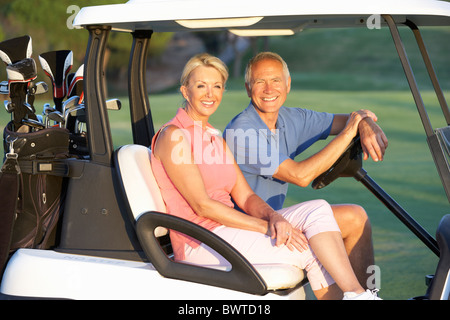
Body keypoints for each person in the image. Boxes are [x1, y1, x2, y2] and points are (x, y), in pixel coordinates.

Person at [150, 53, 381, 300]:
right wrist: (266, 226)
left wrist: (273, 218)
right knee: (309, 248)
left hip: (225, 232)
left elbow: (246, 195)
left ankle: (360, 295)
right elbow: (202, 205)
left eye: (216, 86)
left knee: (318, 210)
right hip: (201, 242)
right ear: (186, 91)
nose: (210, 93)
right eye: (201, 86)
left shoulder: (215, 138)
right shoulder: (174, 136)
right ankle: (360, 296)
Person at [224, 51, 389, 289]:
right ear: (248, 88)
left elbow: (344, 120)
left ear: (288, 84)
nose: (269, 89)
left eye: (276, 81)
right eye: (260, 82)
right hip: (248, 228)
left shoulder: (292, 118)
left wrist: (364, 122)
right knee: (320, 221)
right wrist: (350, 130)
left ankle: (367, 295)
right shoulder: (242, 131)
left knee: (356, 217)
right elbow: (300, 176)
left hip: (276, 219)